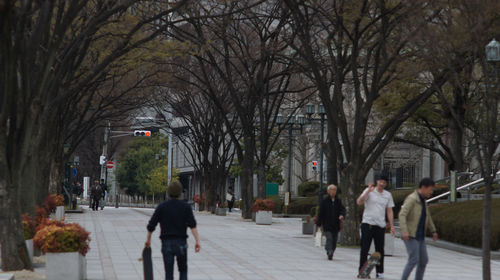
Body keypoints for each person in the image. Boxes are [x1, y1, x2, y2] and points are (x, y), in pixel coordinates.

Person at [146, 181, 201, 280]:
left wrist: (148, 239)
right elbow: (192, 225)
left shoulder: (162, 206)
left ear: (168, 192)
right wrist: (197, 241)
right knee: (183, 270)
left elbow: (151, 224)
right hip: (181, 242)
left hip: (166, 242)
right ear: (180, 192)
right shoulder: (185, 207)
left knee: (168, 273)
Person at [357, 174, 395, 279]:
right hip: (367, 224)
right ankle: (362, 271)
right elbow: (359, 202)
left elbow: (389, 211)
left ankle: (380, 272)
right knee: (365, 248)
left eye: (384, 182)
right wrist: (368, 191)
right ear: (377, 181)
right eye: (380, 181)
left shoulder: (387, 195)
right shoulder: (369, 191)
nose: (382, 183)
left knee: (380, 250)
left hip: (380, 225)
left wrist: (391, 225)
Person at [399, 178, 438, 280]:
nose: (431, 192)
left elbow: (427, 216)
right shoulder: (412, 199)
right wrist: (404, 231)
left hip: (420, 236)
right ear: (423, 188)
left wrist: (433, 230)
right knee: (414, 259)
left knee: (423, 260)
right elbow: (402, 215)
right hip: (411, 235)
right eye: (430, 189)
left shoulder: (423, 201)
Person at [316, 184, 346, 260]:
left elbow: (342, 210)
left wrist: (342, 215)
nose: (333, 191)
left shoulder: (338, 201)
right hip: (327, 224)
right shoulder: (324, 201)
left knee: (334, 240)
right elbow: (320, 213)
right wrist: (319, 224)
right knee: (329, 238)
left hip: (336, 225)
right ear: (328, 191)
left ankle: (331, 251)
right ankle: (329, 251)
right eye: (331, 190)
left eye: (334, 190)